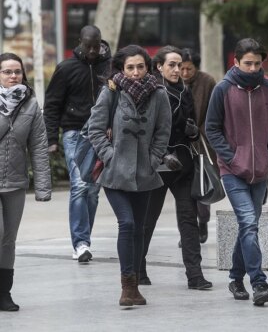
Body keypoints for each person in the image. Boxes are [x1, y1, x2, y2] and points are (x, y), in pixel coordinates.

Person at [88, 44, 172, 306]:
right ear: (121, 69)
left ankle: (135, 286)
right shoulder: (111, 91)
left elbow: (163, 132)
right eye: (130, 67)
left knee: (140, 229)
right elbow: (95, 128)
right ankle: (126, 286)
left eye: (140, 67)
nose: (135, 72)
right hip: (115, 174)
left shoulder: (159, 94)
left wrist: (153, 159)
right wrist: (110, 156)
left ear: (148, 67)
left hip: (145, 173)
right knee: (127, 224)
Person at [206, 38, 268, 306]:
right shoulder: (223, 89)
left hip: (261, 170)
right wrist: (231, 157)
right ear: (235, 62)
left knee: (247, 227)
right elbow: (211, 128)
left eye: (257, 63)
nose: (252, 68)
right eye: (247, 63)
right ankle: (259, 283)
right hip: (232, 171)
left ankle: (235, 278)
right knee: (248, 223)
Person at [139, 45, 213, 290]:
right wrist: (160, 155)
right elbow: (145, 131)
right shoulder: (150, 91)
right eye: (171, 65)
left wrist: (192, 131)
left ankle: (195, 275)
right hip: (157, 165)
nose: (176, 69)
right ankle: (138, 269)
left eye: (179, 65)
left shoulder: (185, 91)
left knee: (188, 220)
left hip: (182, 164)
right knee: (148, 219)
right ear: (158, 67)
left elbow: (189, 126)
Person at [44, 25, 111, 263]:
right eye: (88, 45)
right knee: (81, 186)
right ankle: (81, 243)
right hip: (74, 133)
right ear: (79, 42)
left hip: (103, 135)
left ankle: (84, 239)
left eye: (96, 45)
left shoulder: (109, 66)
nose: (92, 51)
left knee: (93, 191)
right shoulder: (65, 69)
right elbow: (52, 105)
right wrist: (52, 139)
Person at [0, 53, 51, 311]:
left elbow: (39, 147)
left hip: (15, 182)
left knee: (8, 239)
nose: (12, 76)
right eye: (7, 71)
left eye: (17, 71)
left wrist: (42, 187)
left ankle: (4, 293)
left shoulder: (31, 104)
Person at [180, 48, 216, 244]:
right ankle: (187, 230)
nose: (185, 73)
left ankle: (203, 221)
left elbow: (214, 111)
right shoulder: (174, 81)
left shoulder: (207, 81)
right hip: (181, 141)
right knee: (183, 190)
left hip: (203, 141)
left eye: (189, 69)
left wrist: (201, 132)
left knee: (202, 185)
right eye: (182, 68)